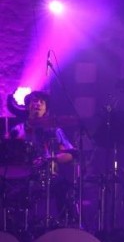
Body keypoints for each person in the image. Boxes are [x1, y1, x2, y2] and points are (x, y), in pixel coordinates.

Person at [9, 90, 76, 227]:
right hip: (20, 177)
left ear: (46, 109)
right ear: (27, 106)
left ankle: (66, 225)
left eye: (42, 102)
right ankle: (13, 226)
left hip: (47, 176)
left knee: (63, 186)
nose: (38, 104)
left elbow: (70, 154)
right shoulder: (17, 130)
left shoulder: (54, 130)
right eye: (34, 101)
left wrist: (51, 159)